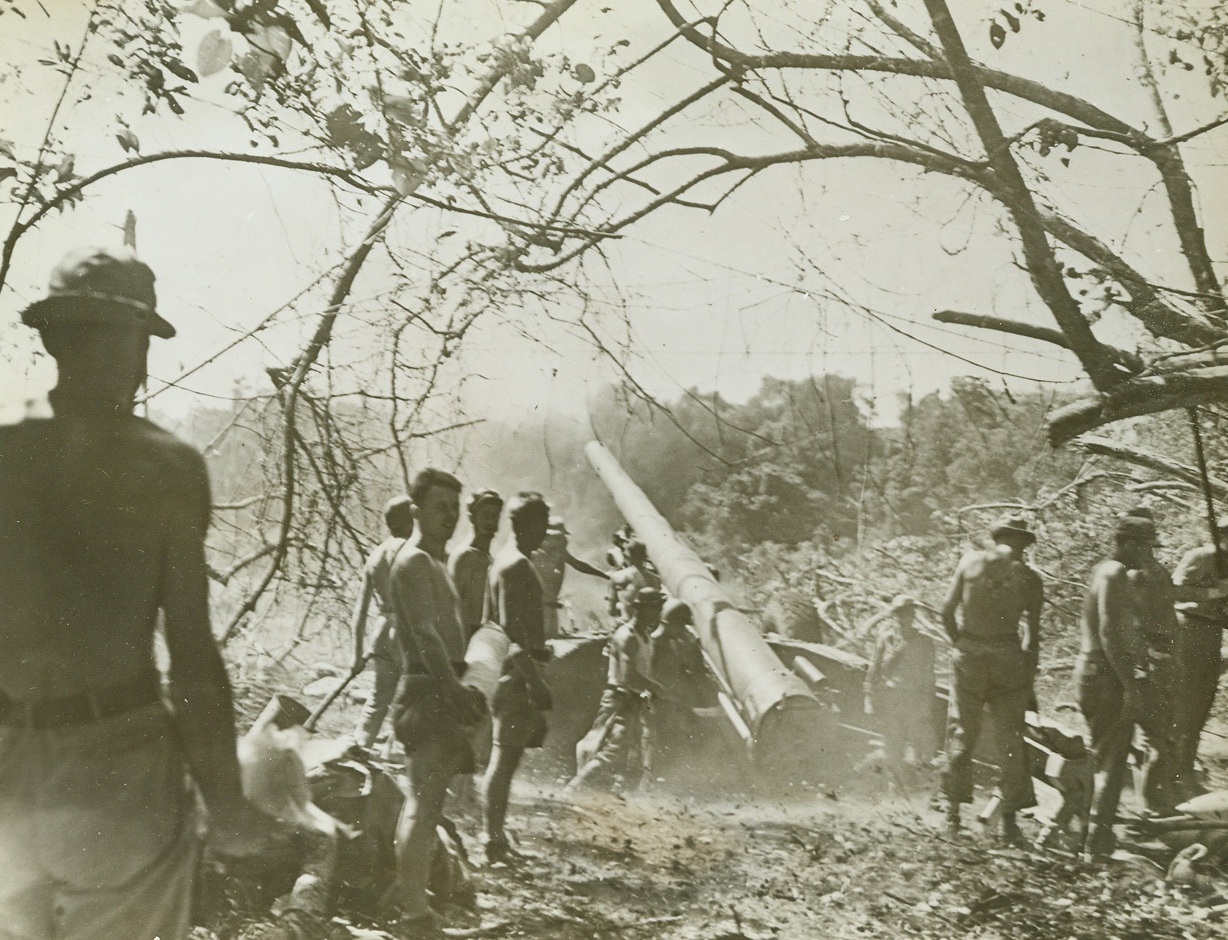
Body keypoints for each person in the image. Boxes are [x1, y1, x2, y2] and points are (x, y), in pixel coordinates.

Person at [0, 247, 284, 940]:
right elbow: (190, 653)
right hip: (116, 772)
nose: (136, 362)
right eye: (133, 341)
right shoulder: (165, 465)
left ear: (49, 334)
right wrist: (226, 804)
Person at [387, 468, 486, 935]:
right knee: (421, 808)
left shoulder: (434, 563)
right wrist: (456, 691)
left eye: (453, 507)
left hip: (440, 688)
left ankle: (416, 909)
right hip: (428, 691)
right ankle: (413, 917)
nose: (448, 515)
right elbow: (425, 636)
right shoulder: (413, 563)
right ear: (415, 511)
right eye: (438, 506)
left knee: (428, 808)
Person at [1079, 515, 1182, 858]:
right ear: (1127, 543)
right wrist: (1131, 685)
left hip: (1103, 673)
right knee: (1111, 760)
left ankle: (1097, 841)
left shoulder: (1108, 572)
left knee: (1109, 757)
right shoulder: (1113, 573)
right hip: (1106, 676)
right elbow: (1110, 634)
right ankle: (1094, 847)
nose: (1147, 555)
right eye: (1143, 546)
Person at [939, 514, 1043, 844]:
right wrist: (1027, 676)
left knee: (962, 730)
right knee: (1010, 739)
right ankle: (1008, 823)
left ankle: (952, 817)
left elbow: (946, 611)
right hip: (1008, 656)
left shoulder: (970, 563)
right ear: (1024, 544)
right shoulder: (1029, 578)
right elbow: (1033, 635)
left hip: (970, 652)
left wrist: (962, 643)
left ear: (995, 537)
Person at [480, 492, 554, 863]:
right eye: (541, 525)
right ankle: (492, 840)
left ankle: (496, 835)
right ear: (529, 524)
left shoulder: (504, 562)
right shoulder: (516, 566)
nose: (544, 534)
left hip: (515, 670)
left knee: (507, 760)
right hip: (515, 674)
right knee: (504, 759)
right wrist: (535, 682)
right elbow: (510, 632)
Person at [564, 587, 667, 795]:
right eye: (656, 609)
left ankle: (613, 794)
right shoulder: (627, 637)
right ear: (644, 609)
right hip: (620, 699)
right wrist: (658, 689)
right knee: (612, 750)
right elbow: (630, 677)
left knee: (633, 751)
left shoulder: (645, 636)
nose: (658, 613)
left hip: (635, 698)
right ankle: (572, 791)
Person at [350, 495, 415, 749]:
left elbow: (360, 609)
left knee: (377, 701)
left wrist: (356, 655)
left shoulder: (375, 555)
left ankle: (359, 749)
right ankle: (396, 758)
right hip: (405, 629)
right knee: (411, 700)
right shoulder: (410, 550)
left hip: (382, 629)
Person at [1171, 520, 1228, 799]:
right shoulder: (1201, 557)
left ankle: (1184, 769)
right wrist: (1216, 591)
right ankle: (1168, 775)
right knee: (1183, 704)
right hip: (1189, 632)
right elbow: (1175, 592)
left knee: (1200, 708)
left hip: (1213, 634)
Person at [863, 595, 938, 779]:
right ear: (893, 616)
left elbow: (929, 676)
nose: (905, 618)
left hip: (915, 699)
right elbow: (874, 670)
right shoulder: (886, 639)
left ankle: (921, 788)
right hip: (892, 700)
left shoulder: (924, 642)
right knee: (893, 747)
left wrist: (927, 706)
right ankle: (893, 790)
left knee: (921, 747)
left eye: (910, 614)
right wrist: (869, 699)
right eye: (901, 614)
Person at [648, 597, 710, 780]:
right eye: (681, 626)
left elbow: (695, 669)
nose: (683, 630)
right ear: (673, 624)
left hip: (672, 702)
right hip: (653, 703)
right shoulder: (651, 644)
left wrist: (692, 648)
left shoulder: (674, 643)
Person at [531, 515, 609, 638]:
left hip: (551, 606)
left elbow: (578, 564)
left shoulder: (559, 552)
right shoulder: (533, 555)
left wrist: (604, 575)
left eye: (561, 537)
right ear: (545, 537)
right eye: (556, 537)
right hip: (537, 609)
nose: (561, 541)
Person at [449, 489, 503, 640]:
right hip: (466, 646)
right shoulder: (465, 557)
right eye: (485, 515)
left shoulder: (488, 558)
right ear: (472, 517)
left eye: (496, 516)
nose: (491, 522)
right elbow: (454, 613)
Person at [608, 538, 662, 622]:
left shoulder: (616, 576)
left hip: (628, 622)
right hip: (652, 623)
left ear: (626, 556)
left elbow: (611, 611)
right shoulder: (656, 579)